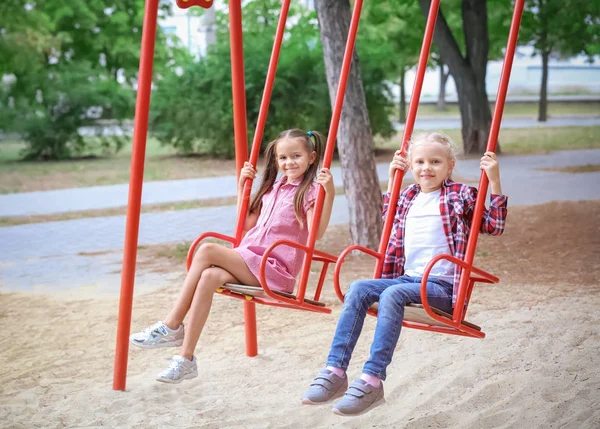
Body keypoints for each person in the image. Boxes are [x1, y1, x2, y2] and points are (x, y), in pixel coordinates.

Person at [302, 131, 508, 416]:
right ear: (411, 166)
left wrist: (494, 179)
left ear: (449, 166)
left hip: (441, 287)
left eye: (435, 161)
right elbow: (388, 219)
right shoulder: (408, 196)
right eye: (420, 161)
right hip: (407, 278)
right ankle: (335, 371)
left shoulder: (460, 195)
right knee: (359, 288)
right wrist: (391, 179)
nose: (426, 168)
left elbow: (493, 225)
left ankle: (372, 380)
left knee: (393, 294)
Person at [129, 128, 335, 383]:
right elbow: (248, 222)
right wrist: (242, 187)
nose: (289, 163)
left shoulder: (311, 191)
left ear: (312, 158)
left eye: (296, 156)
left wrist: (330, 193)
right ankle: (185, 359)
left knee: (207, 250)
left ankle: (172, 325)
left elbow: (316, 233)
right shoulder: (274, 188)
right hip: (251, 261)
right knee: (209, 276)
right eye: (283, 158)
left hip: (274, 269)